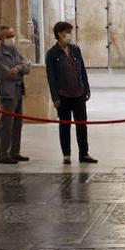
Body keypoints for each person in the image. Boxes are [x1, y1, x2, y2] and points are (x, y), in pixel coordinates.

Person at [45, 21, 98, 164]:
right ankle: (66, 154)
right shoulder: (52, 53)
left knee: (81, 124)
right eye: (67, 32)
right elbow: (51, 77)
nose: (69, 35)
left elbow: (82, 70)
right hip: (63, 95)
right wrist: (55, 97)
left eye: (70, 32)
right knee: (65, 125)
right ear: (59, 34)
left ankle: (84, 153)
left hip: (78, 93)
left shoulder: (75, 49)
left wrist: (86, 88)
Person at [0, 25, 32, 164]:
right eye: (8, 36)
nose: (11, 39)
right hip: (8, 93)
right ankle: (3, 154)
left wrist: (19, 68)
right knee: (7, 125)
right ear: (1, 38)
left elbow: (27, 66)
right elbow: (7, 73)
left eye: (12, 36)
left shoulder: (15, 51)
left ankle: (15, 152)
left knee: (17, 124)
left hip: (19, 90)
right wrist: (19, 69)